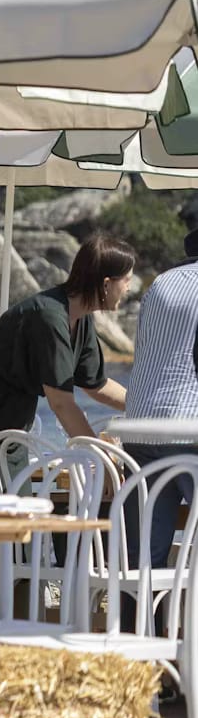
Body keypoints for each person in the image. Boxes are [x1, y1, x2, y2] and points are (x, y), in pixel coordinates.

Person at [0, 232, 134, 612]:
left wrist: (148, 408)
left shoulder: (81, 319)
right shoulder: (49, 316)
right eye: (126, 280)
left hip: (7, 426)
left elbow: (96, 385)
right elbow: (60, 402)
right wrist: (102, 454)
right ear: (106, 283)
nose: (128, 288)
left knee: (8, 527)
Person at [119, 227, 198, 569]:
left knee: (142, 558)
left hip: (139, 429)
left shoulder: (161, 284)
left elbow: (148, 354)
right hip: (189, 430)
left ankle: (138, 623)